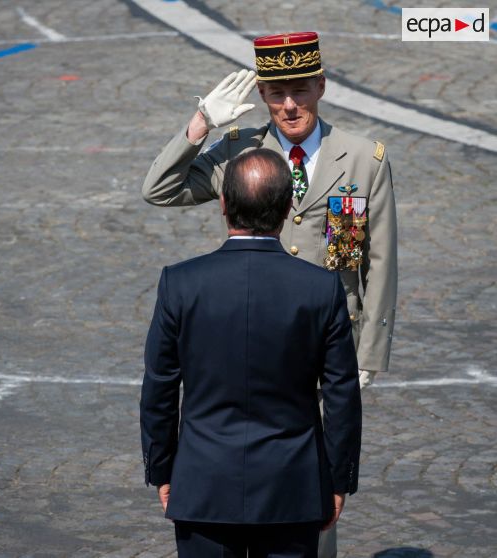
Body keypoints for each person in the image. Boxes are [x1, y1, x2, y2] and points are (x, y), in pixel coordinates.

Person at [142, 32, 397, 557]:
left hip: (327, 347)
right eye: (276, 93)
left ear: (321, 86)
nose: (288, 105)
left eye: (299, 91)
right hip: (252, 343)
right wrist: (200, 125)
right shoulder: (242, 150)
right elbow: (160, 190)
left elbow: (377, 260)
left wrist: (368, 353)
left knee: (319, 503)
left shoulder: (363, 159)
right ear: (261, 96)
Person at [140, 149, 362, 558]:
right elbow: (342, 394)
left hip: (203, 480)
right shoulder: (320, 288)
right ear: (288, 206)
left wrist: (162, 470)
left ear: (223, 205)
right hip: (291, 485)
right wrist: (337, 479)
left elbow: (159, 389)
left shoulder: (181, 284)